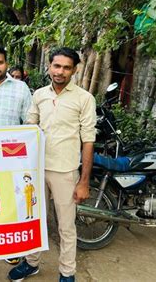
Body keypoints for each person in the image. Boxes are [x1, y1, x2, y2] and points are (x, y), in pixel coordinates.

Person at [8, 47, 96, 282]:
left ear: (74, 70)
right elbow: (29, 126)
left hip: (65, 171)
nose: (60, 71)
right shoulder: (39, 95)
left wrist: (84, 181)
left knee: (66, 226)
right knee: (34, 220)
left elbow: (88, 141)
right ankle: (31, 262)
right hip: (36, 170)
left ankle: (67, 273)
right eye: (57, 66)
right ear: (49, 67)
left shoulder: (84, 99)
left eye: (67, 67)